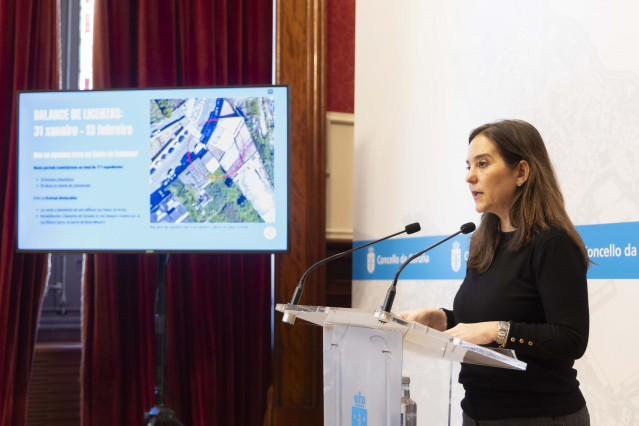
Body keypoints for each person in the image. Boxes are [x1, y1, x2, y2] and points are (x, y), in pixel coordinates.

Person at [399, 119, 590, 425]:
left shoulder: (553, 243)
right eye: (468, 165)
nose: (469, 177)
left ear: (521, 172)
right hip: (476, 411)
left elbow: (571, 339)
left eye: (483, 164)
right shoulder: (483, 242)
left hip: (539, 416)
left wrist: (494, 330)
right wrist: (442, 319)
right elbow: (486, 321)